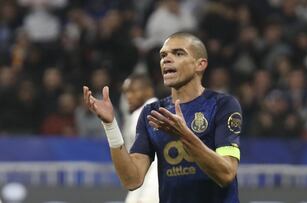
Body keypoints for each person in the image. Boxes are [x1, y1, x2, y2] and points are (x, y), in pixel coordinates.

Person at [83, 32, 242, 202]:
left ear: (200, 64)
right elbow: (132, 180)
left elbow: (226, 174)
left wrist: (184, 135)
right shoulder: (152, 112)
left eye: (178, 53)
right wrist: (110, 125)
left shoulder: (223, 105)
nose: (167, 59)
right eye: (163, 55)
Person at [121, 73, 159, 203]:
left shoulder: (149, 112)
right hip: (145, 175)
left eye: (133, 91)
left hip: (153, 176)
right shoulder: (142, 112)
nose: (128, 96)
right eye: (126, 92)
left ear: (148, 90)